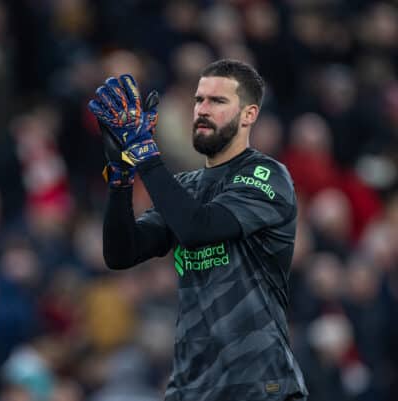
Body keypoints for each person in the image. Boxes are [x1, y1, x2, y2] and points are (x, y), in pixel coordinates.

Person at [88, 59, 309, 401]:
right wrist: (121, 178)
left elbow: (198, 228)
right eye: (199, 100)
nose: (203, 110)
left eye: (218, 101)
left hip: (258, 385)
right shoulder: (185, 187)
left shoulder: (267, 176)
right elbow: (121, 253)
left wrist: (145, 153)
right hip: (192, 387)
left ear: (249, 114)